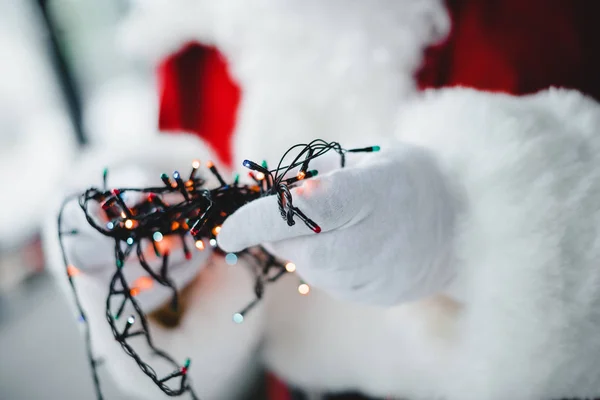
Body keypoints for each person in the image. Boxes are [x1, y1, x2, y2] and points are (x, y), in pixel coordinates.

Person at [45, 1, 600, 399]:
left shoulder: (541, 18)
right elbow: (208, 339)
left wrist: (467, 226)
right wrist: (151, 270)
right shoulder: (189, 40)